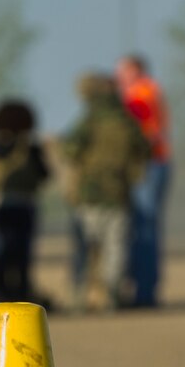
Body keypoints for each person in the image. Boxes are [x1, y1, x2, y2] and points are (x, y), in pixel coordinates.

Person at [62, 73, 150, 313]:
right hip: (119, 194)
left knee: (84, 248)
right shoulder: (127, 122)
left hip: (89, 194)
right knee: (116, 249)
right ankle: (111, 296)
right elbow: (145, 150)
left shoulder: (89, 122)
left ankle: (79, 298)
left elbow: (69, 150)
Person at [0, 99, 51, 305]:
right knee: (21, 255)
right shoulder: (30, 148)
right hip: (24, 205)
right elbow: (44, 174)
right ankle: (20, 294)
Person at [116, 53, 172, 306]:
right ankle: (143, 289)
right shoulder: (146, 91)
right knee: (142, 228)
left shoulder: (141, 94)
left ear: (136, 71)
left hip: (148, 165)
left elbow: (145, 135)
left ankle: (145, 293)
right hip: (151, 164)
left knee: (145, 228)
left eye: (123, 72)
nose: (119, 77)